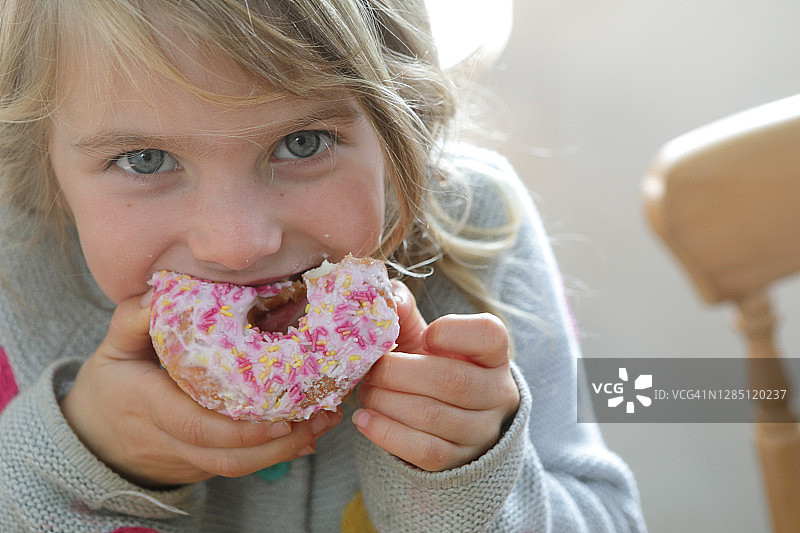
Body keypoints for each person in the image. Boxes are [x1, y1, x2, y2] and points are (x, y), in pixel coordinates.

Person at [0, 1, 647, 531]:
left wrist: (474, 473)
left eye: (300, 143)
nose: (238, 244)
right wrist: (80, 456)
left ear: (403, 122)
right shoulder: (19, 278)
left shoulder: (477, 223)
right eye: (144, 160)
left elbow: (613, 518)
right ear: (43, 163)